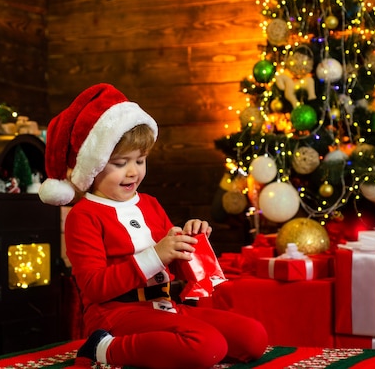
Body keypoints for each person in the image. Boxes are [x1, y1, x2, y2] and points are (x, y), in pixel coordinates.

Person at [39, 83, 268, 368]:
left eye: (141, 160)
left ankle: (167, 344)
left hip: (164, 306)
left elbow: (177, 270)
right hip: (116, 313)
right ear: (94, 166)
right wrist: (156, 255)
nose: (133, 171)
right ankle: (103, 349)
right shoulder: (84, 215)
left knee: (254, 337)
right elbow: (94, 287)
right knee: (207, 345)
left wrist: (190, 244)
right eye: (121, 163)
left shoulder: (149, 203)